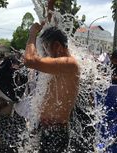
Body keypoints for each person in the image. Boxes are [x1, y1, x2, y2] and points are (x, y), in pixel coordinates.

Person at [23, 23, 80, 152]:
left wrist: (32, 34)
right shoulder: (60, 64)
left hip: (56, 131)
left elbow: (29, 60)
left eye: (46, 48)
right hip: (49, 129)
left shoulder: (68, 63)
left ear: (57, 46)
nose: (45, 53)